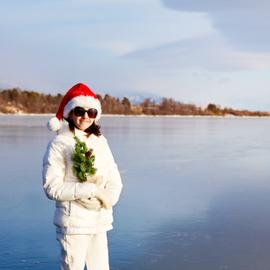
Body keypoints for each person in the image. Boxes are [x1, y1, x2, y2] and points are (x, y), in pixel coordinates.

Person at [42, 83, 123, 270]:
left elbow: (114, 177)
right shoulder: (59, 143)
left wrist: (109, 197)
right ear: (70, 113)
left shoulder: (100, 141)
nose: (86, 116)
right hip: (73, 224)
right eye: (79, 111)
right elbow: (51, 187)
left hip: (100, 220)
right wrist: (91, 190)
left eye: (92, 112)